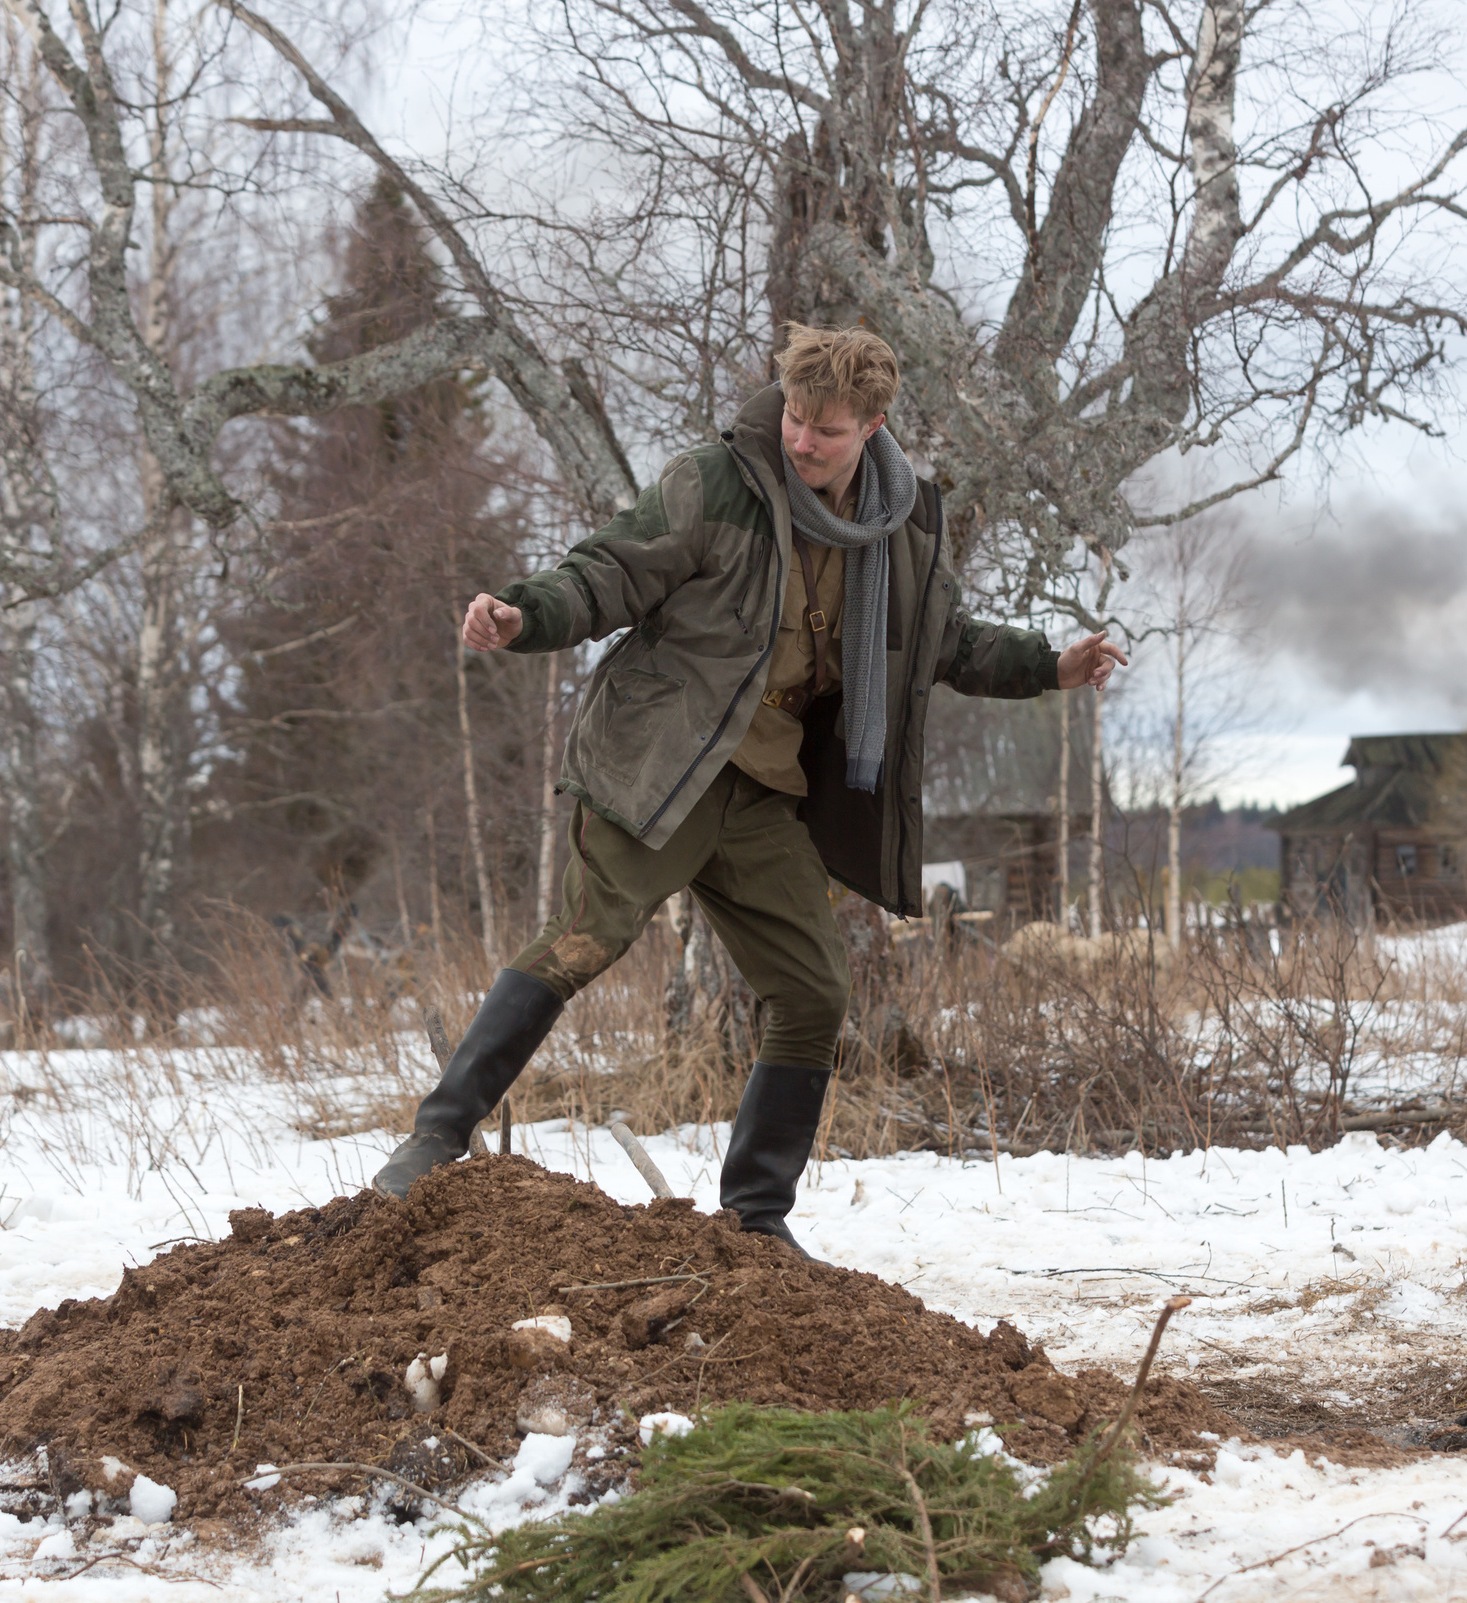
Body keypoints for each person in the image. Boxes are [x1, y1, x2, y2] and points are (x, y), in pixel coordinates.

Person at [370, 325, 1126, 1252]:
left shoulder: (901, 526)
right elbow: (610, 570)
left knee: (813, 989)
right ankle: (435, 1137)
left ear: (873, 427)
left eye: (826, 429)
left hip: (764, 789)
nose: (801, 440)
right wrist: (524, 615)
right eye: (795, 417)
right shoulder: (717, 483)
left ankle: (757, 1221)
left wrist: (1053, 665)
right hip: (662, 764)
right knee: (583, 940)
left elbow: (943, 641)